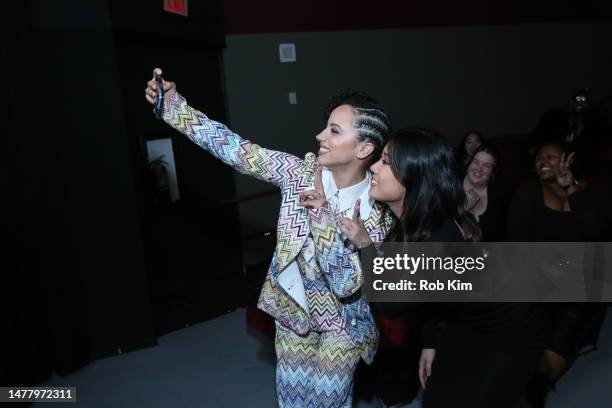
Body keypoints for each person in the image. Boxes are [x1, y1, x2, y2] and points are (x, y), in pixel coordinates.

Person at [145, 68, 393, 407]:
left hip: (344, 322)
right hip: (294, 308)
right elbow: (235, 149)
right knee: (292, 401)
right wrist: (174, 107)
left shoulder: (377, 210)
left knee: (327, 401)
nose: (320, 135)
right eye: (325, 126)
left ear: (364, 148)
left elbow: (347, 284)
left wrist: (321, 217)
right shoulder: (298, 174)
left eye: (334, 131)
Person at [302, 128, 547, 408]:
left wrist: (365, 244)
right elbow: (434, 296)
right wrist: (431, 342)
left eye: (384, 161)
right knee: (439, 397)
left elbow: (391, 302)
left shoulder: (438, 235)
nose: (373, 167)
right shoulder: (412, 218)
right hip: (462, 321)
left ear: (412, 176)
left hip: (511, 330)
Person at [508, 141, 610, 407]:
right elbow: (517, 243)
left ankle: (538, 383)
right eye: (538, 156)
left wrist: (570, 187)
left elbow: (596, 231)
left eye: (550, 156)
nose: (542, 160)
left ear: (567, 160)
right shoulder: (530, 190)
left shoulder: (591, 192)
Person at [463, 144, 509, 241]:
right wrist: (464, 208)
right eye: (476, 162)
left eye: (487, 165)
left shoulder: (500, 193)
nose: (479, 168)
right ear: (468, 163)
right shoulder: (451, 186)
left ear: (493, 171)